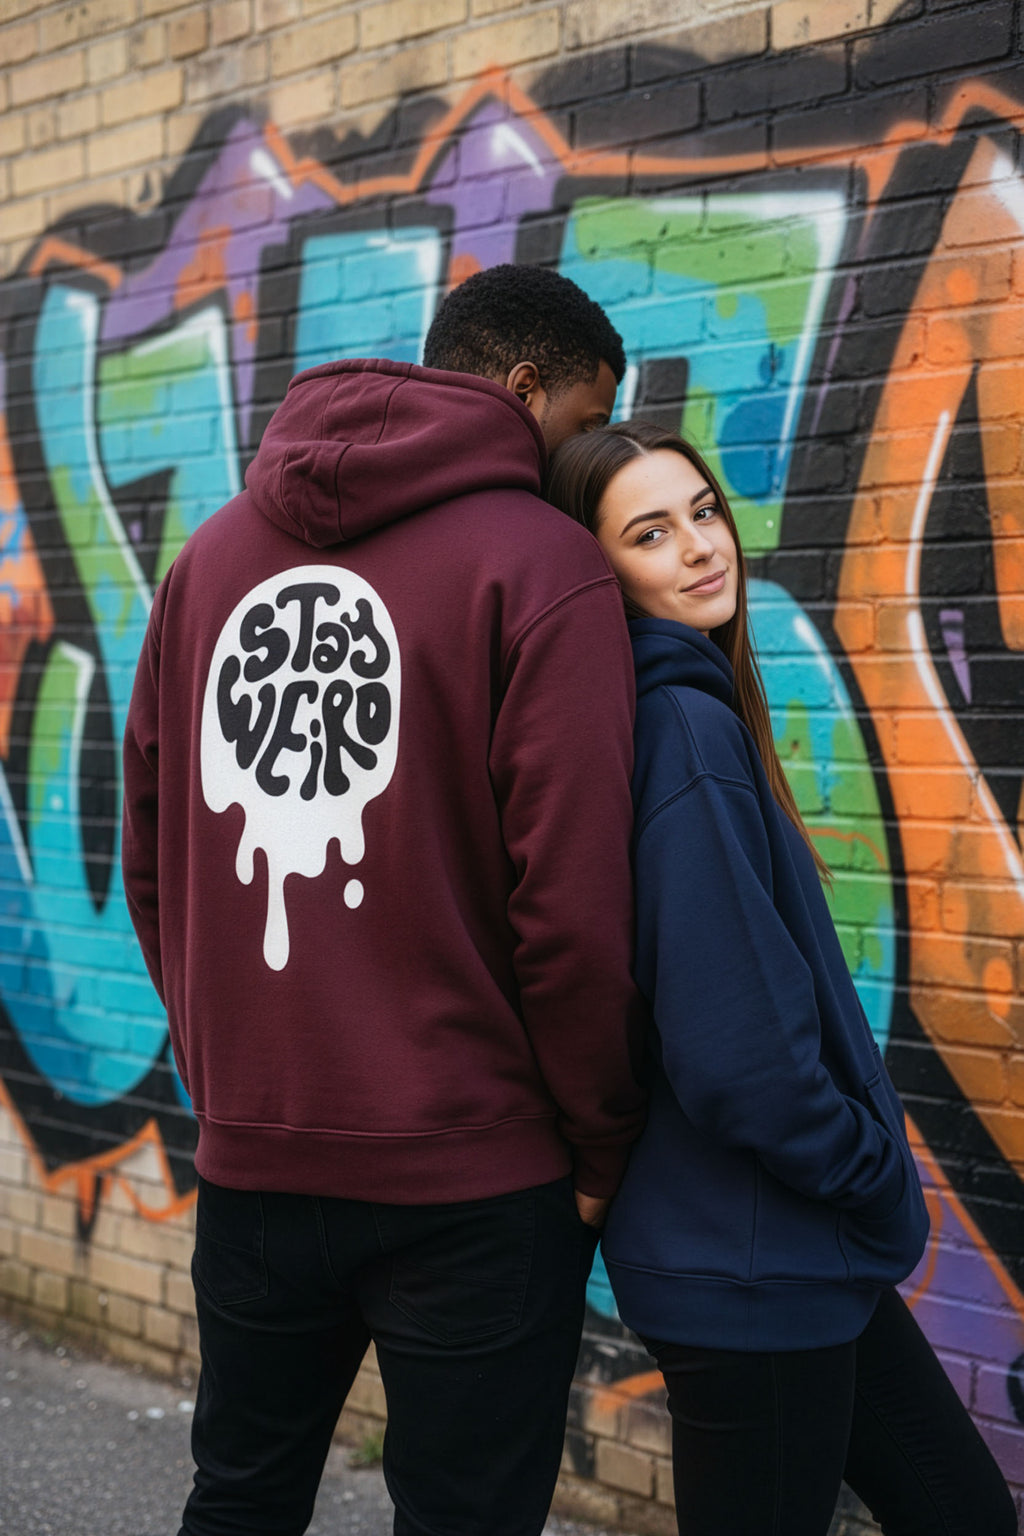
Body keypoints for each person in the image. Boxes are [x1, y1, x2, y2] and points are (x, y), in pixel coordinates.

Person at [121, 264, 647, 1536]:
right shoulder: (544, 565)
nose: (584, 458)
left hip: (256, 1152)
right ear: (523, 387)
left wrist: (230, 1076)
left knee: (238, 1499)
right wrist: (599, 1143)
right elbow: (573, 911)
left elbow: (150, 850)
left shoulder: (208, 559)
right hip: (477, 1174)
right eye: (583, 423)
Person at [545, 420, 1018, 1536]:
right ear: (599, 575)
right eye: (650, 534)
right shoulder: (682, 732)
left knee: (961, 1512)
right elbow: (735, 1054)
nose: (700, 546)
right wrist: (867, 1166)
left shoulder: (676, 714)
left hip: (785, 1251)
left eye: (703, 512)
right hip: (752, 1262)